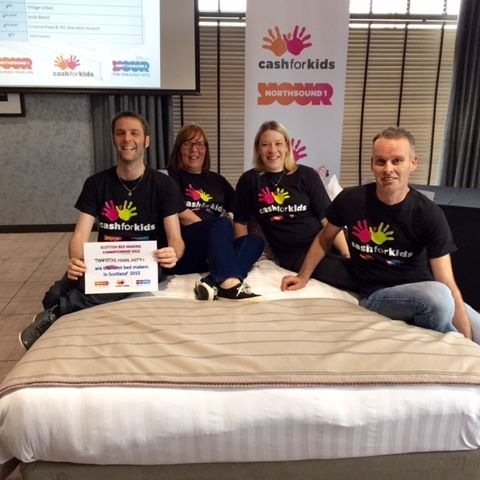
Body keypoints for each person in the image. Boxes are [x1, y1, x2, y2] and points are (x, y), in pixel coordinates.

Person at [281, 126, 480, 342]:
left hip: (422, 289)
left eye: (397, 161)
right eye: (381, 161)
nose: (388, 169)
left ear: (413, 163)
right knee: (439, 299)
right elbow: (324, 238)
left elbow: (446, 280)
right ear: (372, 164)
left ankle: (460, 344)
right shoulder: (351, 199)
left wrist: (467, 332)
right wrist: (302, 276)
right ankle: (453, 346)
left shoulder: (429, 214)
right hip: (377, 294)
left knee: (471, 322)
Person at [233, 120, 358, 292]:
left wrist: (347, 254)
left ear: (287, 147)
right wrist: (242, 256)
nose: (272, 150)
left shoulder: (307, 175)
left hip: (328, 240)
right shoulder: (250, 180)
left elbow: (327, 220)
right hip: (296, 255)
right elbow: (240, 222)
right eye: (265, 144)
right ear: (258, 149)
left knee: (376, 263)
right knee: (352, 276)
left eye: (278, 143)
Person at [166, 122, 264, 301]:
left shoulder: (217, 181)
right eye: (187, 144)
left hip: (214, 251)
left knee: (255, 242)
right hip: (186, 249)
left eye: (200, 144)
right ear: (179, 149)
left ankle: (211, 282)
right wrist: (214, 234)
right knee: (220, 223)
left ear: (206, 149)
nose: (194, 150)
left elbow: (239, 212)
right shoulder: (169, 177)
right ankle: (229, 287)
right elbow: (179, 213)